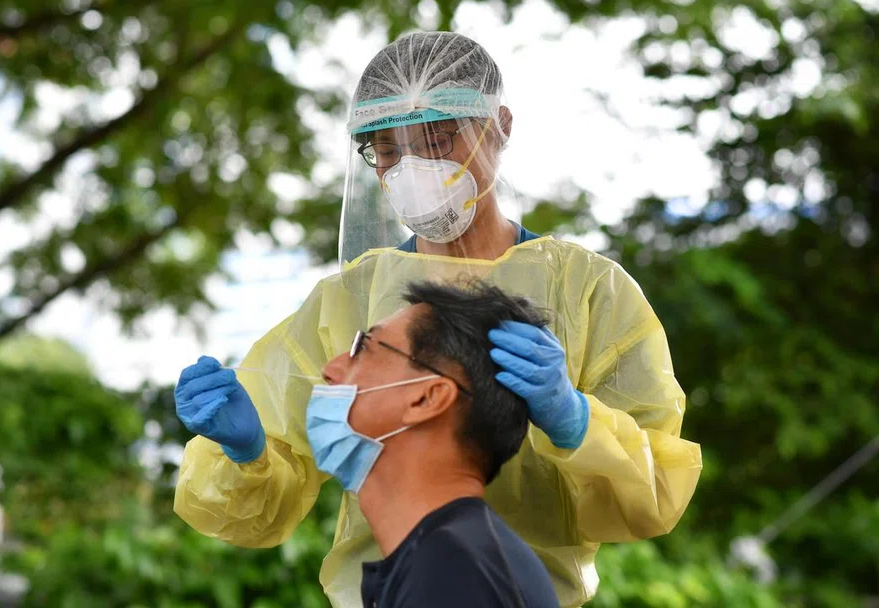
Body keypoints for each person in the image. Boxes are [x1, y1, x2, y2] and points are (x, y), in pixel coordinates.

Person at [173, 31, 702, 608]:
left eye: (436, 139)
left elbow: (654, 495)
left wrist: (576, 422)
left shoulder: (589, 292)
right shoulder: (350, 297)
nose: (411, 168)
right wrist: (248, 453)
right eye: (388, 151)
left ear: (499, 126)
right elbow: (253, 507)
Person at [311, 279, 560, 608]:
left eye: (364, 347)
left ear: (427, 398)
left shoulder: (453, 573)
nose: (330, 368)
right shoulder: (452, 559)